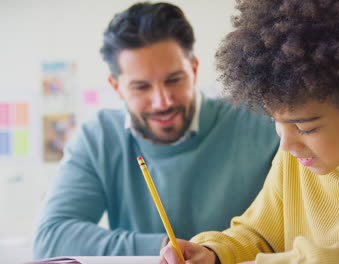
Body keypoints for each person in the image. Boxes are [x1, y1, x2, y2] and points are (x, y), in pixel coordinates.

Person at [159, 0, 339, 263]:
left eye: (305, 127)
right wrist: (213, 253)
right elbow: (257, 234)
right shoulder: (296, 161)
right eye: (276, 121)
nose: (286, 144)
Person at [32, 2, 280, 259]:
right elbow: (51, 240)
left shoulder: (265, 124)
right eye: (141, 87)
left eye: (174, 80)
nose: (163, 102)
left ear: (194, 70)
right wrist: (169, 249)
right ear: (116, 87)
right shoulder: (99, 138)